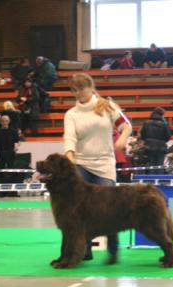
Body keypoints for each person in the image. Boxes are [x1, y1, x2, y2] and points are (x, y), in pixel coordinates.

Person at [63, 73, 132, 264]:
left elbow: (126, 126)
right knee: (80, 209)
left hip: (105, 164)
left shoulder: (107, 106)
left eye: (81, 89)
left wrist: (121, 140)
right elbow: (70, 138)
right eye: (74, 90)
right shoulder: (71, 114)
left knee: (108, 209)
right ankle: (84, 249)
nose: (78, 94)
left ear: (91, 87)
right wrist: (69, 158)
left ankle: (113, 250)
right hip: (81, 163)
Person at [140, 108, 171, 174]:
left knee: (151, 165)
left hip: (149, 146)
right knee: (160, 165)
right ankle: (160, 181)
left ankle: (151, 182)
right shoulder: (164, 124)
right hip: (161, 147)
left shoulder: (146, 123)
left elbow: (142, 135)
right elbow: (168, 136)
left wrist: (147, 140)